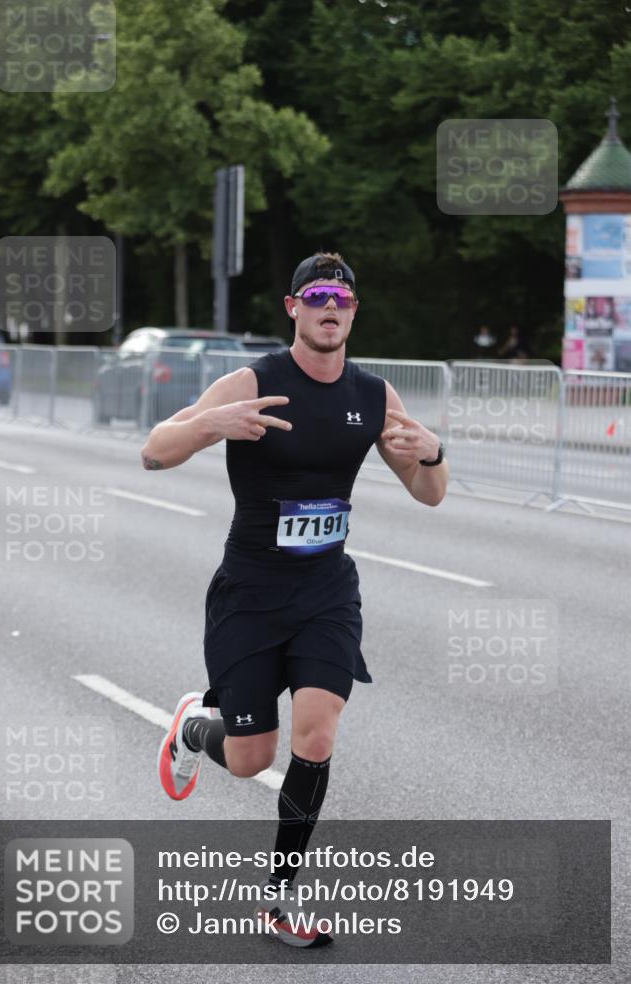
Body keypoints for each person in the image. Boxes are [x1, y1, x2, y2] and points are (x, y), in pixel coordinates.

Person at [141, 251, 449, 947]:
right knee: (251, 756)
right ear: (292, 308)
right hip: (250, 592)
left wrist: (431, 454)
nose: (328, 306)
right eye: (315, 295)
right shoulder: (251, 382)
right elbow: (152, 453)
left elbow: (429, 494)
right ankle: (196, 727)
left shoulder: (374, 396)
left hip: (325, 591)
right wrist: (208, 427)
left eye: (340, 296)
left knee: (315, 735)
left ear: (352, 311)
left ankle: (277, 903)